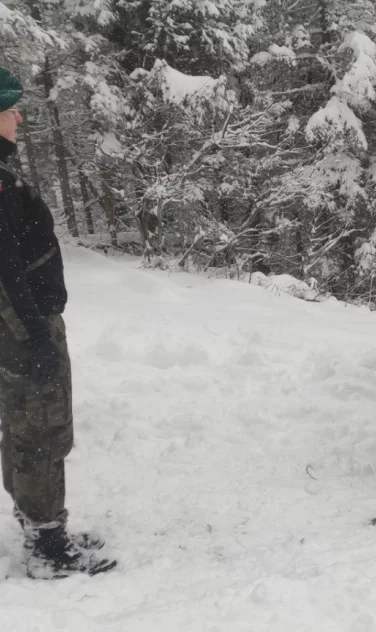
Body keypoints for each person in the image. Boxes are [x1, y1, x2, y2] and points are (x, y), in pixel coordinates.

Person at [0, 66, 116, 579]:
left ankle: (38, 526)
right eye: (10, 110)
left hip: (20, 327)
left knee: (23, 426)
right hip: (21, 329)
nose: (19, 118)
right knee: (42, 430)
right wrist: (35, 337)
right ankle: (47, 548)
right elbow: (4, 274)